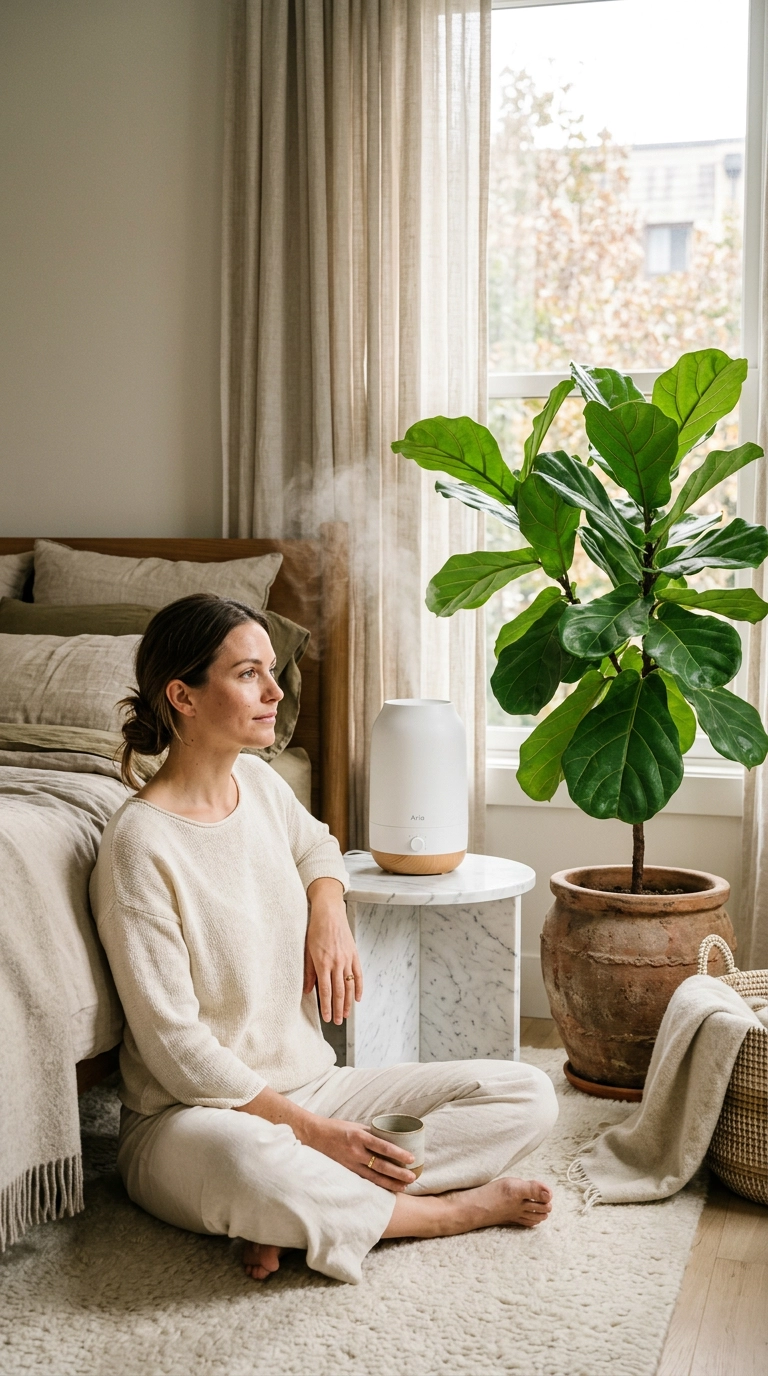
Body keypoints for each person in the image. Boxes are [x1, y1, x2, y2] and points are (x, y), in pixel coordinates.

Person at [91, 593, 558, 1285]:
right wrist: (313, 1137)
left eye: (272, 671)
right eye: (249, 674)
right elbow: (175, 1049)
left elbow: (319, 847)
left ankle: (296, 1212)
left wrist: (328, 908)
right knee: (248, 1164)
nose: (276, 692)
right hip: (193, 1121)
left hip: (315, 1085)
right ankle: (442, 1213)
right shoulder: (139, 845)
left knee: (526, 1093)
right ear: (182, 697)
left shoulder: (260, 782)